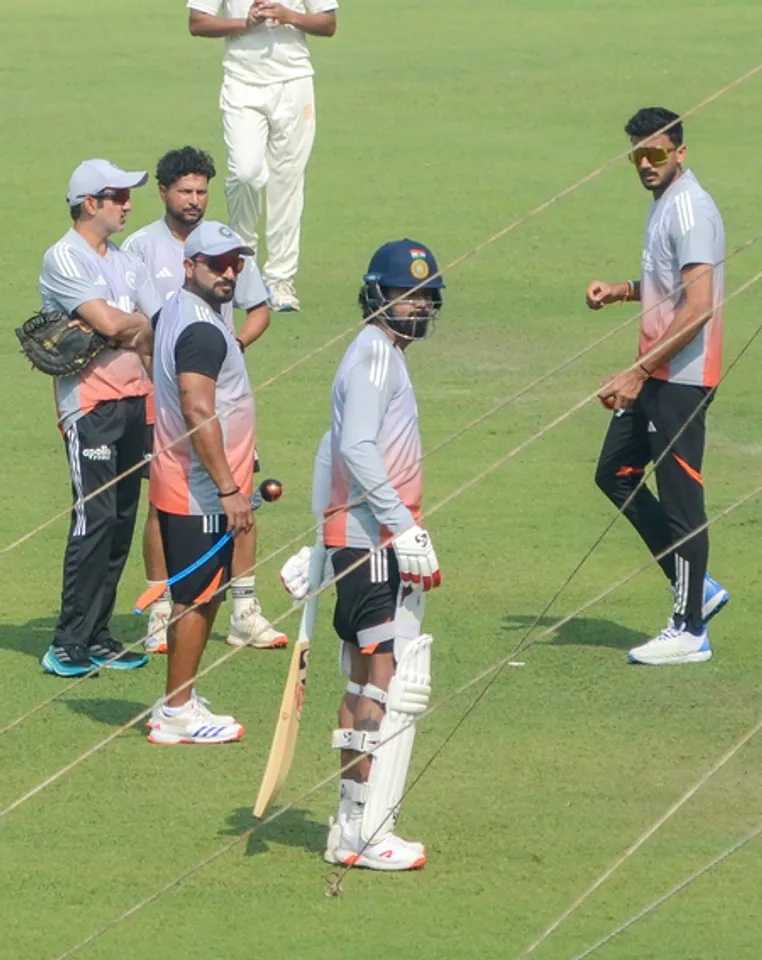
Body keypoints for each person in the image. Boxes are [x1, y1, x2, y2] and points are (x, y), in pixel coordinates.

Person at [123, 146, 286, 654]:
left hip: (221, 399)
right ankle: (160, 608)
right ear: (164, 193)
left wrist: (228, 348)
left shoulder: (225, 245)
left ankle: (244, 610)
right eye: (185, 191)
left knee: (240, 494)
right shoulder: (141, 248)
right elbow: (134, 324)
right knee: (163, 504)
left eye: (202, 191)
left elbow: (258, 310)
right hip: (165, 396)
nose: (194, 200)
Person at [586, 107, 729, 666]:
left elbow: (698, 307)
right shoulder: (664, 203)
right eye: (637, 155)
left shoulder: (691, 209)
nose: (646, 164)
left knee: (680, 502)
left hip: (681, 379)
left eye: (656, 153)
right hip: (657, 372)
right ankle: (699, 587)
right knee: (614, 472)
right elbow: (668, 282)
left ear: (681, 152)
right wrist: (623, 291)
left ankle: (690, 628)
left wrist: (638, 372)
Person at [318, 239, 444, 870]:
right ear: (378, 295)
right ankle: (366, 827)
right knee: (383, 679)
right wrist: (402, 528)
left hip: (361, 538)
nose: (417, 306)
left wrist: (321, 539)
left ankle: (350, 820)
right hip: (373, 542)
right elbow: (358, 451)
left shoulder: (379, 354)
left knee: (363, 676)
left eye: (424, 295)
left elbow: (328, 445)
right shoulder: (373, 355)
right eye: (406, 294)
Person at [38, 159, 163, 677]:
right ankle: (67, 640)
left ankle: (97, 634)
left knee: (120, 522)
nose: (128, 204)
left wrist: (121, 327)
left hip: (138, 400)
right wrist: (124, 325)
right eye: (118, 196)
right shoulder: (62, 258)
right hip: (89, 405)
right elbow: (115, 321)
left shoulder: (127, 261)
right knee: (93, 521)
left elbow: (156, 328)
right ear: (91, 203)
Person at [147, 221, 258, 745]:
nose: (229, 271)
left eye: (235, 261)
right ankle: (177, 713)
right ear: (190, 265)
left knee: (198, 594)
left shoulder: (174, 309)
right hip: (200, 488)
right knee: (199, 597)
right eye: (218, 262)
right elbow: (197, 407)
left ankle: (181, 696)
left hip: (179, 480)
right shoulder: (202, 330)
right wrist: (229, 488)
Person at [186, 0, 338, 312]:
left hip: (294, 82)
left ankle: (281, 279)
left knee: (287, 181)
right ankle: (242, 260)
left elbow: (328, 24)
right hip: (242, 83)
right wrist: (245, 23)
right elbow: (197, 22)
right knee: (246, 173)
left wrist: (289, 16)